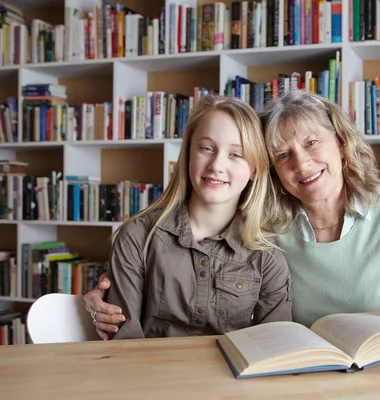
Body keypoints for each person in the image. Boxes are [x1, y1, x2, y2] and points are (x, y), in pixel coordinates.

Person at [86, 91, 380, 338]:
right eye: (283, 154)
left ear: (342, 145)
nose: (302, 163)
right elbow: (186, 260)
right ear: (270, 169)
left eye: (313, 142)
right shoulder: (266, 227)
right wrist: (95, 297)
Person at [90, 94, 292, 340]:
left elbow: (275, 349)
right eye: (207, 148)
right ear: (187, 155)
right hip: (148, 375)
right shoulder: (137, 237)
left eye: (236, 154)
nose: (216, 165)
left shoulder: (267, 258)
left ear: (255, 169)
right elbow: (124, 340)